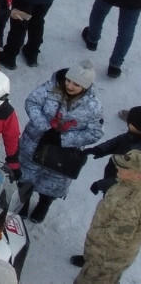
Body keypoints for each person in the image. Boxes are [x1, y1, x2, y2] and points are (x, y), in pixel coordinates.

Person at [14, 60, 103, 223]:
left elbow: (95, 132)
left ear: (85, 86)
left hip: (62, 155)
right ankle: (23, 202)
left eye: (76, 84)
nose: (70, 86)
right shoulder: (50, 88)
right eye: (68, 80)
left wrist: (63, 139)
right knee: (26, 174)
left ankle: (44, 204)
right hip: (34, 143)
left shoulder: (92, 106)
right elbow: (32, 102)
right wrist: (44, 127)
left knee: (53, 182)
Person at [76, 149, 141, 284]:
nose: (118, 167)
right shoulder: (127, 184)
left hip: (105, 260)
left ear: (138, 175)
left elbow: (117, 238)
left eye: (124, 167)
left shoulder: (133, 202)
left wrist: (94, 255)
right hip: (100, 256)